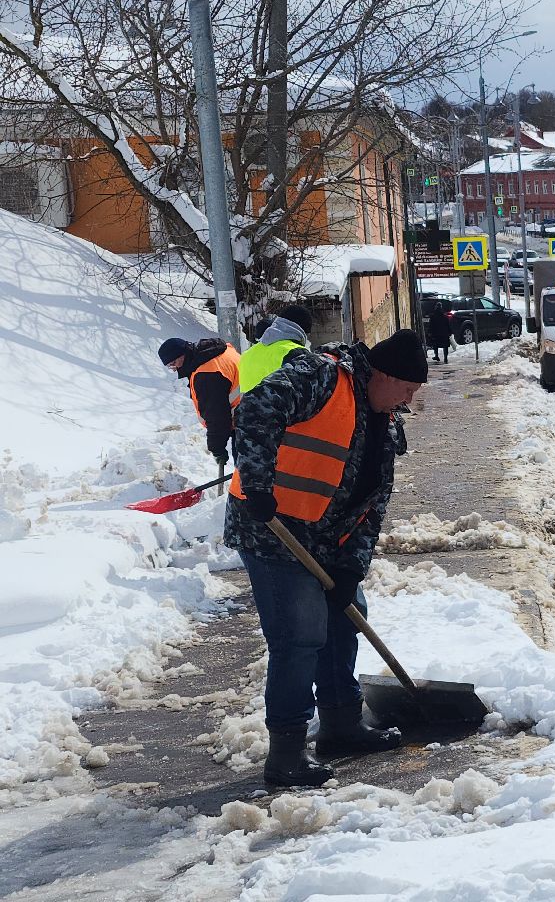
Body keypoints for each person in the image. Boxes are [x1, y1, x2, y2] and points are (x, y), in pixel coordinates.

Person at [225, 329, 427, 787]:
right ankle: (286, 756)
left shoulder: (385, 421)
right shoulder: (320, 377)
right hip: (271, 526)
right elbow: (256, 407)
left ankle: (341, 724)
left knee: (346, 616)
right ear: (384, 375)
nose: (411, 400)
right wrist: (257, 483)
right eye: (409, 388)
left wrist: (351, 565)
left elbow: (374, 501)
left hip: (326, 540)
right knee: (300, 635)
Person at [159, 335, 241, 472]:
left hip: (245, 421)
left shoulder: (207, 374)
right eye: (169, 366)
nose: (173, 369)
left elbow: (216, 416)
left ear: (182, 355)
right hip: (254, 410)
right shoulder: (220, 351)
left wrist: (217, 448)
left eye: (173, 364)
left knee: (246, 478)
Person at [237, 305, 315, 395]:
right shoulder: (296, 353)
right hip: (282, 408)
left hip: (247, 408)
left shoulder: (248, 354)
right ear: (303, 331)